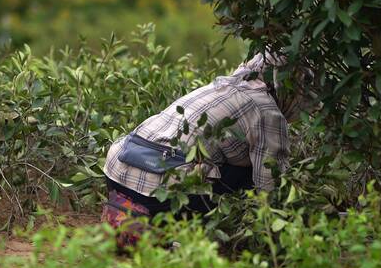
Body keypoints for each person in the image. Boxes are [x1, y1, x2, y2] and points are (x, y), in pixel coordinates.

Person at [101, 52, 311, 247]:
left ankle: (136, 218)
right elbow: (270, 185)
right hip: (162, 191)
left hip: (117, 170)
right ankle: (179, 230)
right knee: (251, 174)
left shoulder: (219, 86)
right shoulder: (266, 109)